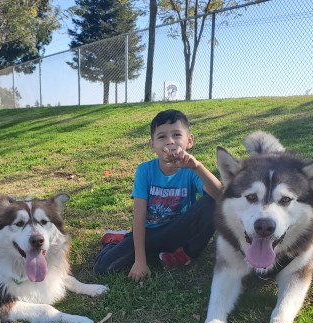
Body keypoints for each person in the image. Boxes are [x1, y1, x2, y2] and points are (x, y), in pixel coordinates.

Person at [94, 109, 222, 282]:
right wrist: (140, 260)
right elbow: (139, 216)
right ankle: (119, 239)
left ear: (189, 141)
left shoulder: (192, 171)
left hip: (179, 232)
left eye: (177, 134)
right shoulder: (145, 170)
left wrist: (197, 166)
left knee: (212, 203)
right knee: (103, 267)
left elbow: (221, 196)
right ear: (152, 145)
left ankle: (183, 255)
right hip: (149, 234)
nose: (170, 141)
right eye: (162, 137)